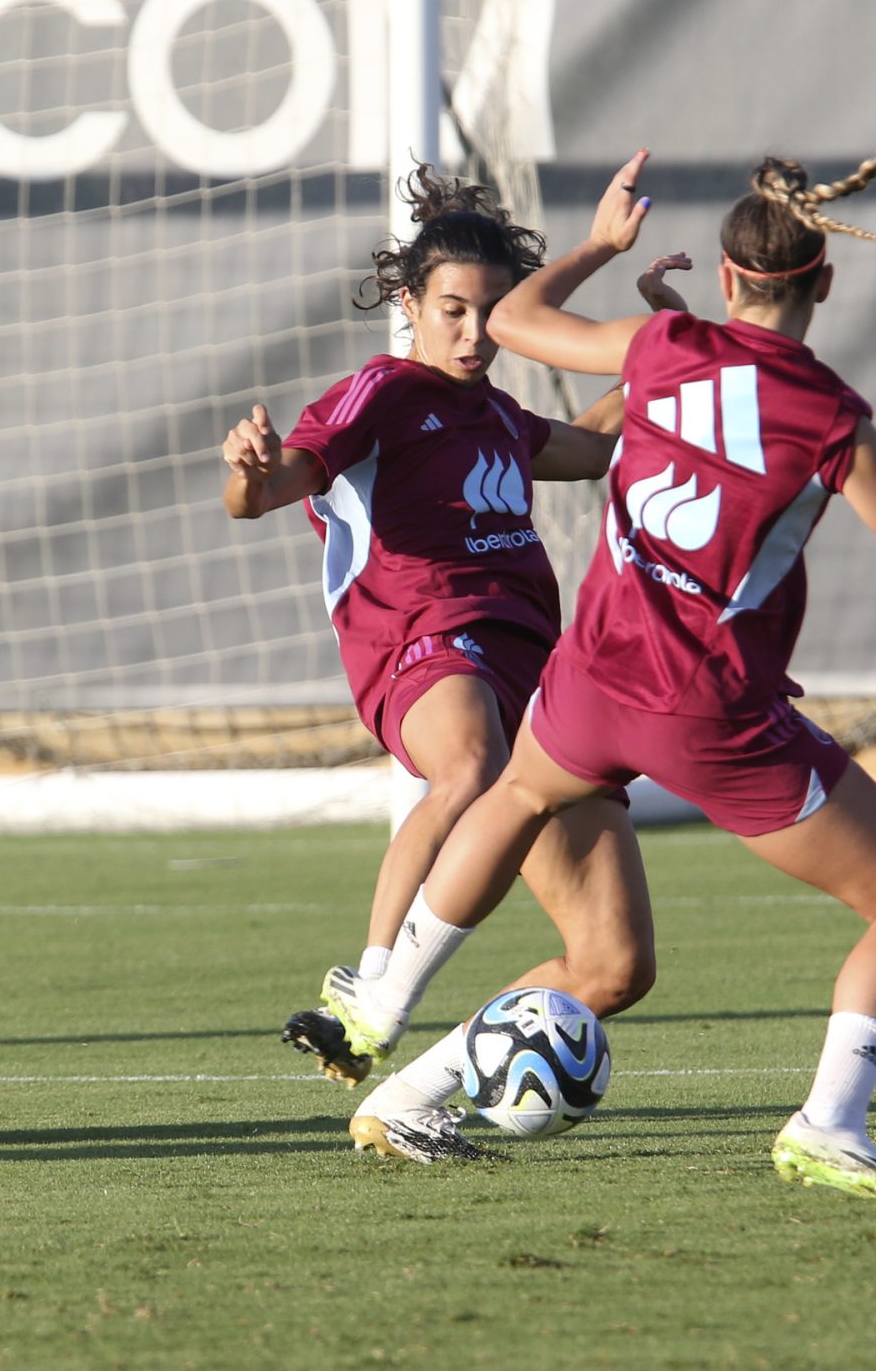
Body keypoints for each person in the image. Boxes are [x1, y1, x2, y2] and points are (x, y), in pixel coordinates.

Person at [316, 125, 876, 1196]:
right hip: (709, 713)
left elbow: (517, 321)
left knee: (573, 903)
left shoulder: (662, 350)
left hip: (585, 686)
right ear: (821, 283)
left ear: (727, 277)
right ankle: (829, 1120)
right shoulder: (828, 418)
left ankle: (391, 1032)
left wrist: (596, 252)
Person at [219, 168, 645, 1087]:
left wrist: (662, 359)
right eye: (452, 308)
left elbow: (600, 447)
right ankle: (368, 989)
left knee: (614, 964)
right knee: (467, 767)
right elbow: (269, 489)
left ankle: (420, 1090)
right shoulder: (380, 390)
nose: (473, 331)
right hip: (426, 639)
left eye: (492, 313)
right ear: (409, 301)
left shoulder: (496, 412)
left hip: (533, 662)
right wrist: (249, 471)